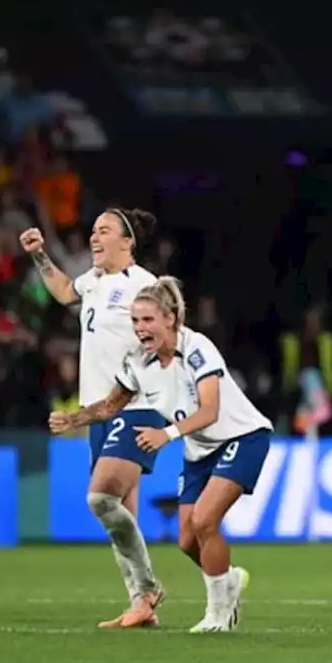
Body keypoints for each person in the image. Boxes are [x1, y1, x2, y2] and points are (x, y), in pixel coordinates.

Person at [52, 278, 272, 633]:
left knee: (204, 521)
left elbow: (210, 410)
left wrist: (165, 434)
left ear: (170, 318)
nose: (140, 329)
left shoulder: (197, 347)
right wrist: (74, 419)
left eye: (147, 320)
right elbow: (111, 405)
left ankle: (220, 614)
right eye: (135, 321)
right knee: (187, 541)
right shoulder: (139, 362)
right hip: (200, 450)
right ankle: (227, 580)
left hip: (242, 438)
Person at [22, 208, 165, 629]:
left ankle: (149, 586)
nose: (94, 238)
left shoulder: (144, 285)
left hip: (134, 406)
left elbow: (164, 338)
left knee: (101, 498)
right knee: (122, 513)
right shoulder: (95, 282)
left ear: (128, 242)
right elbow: (66, 290)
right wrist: (39, 256)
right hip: (100, 411)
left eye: (104, 231)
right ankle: (141, 603)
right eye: (92, 231)